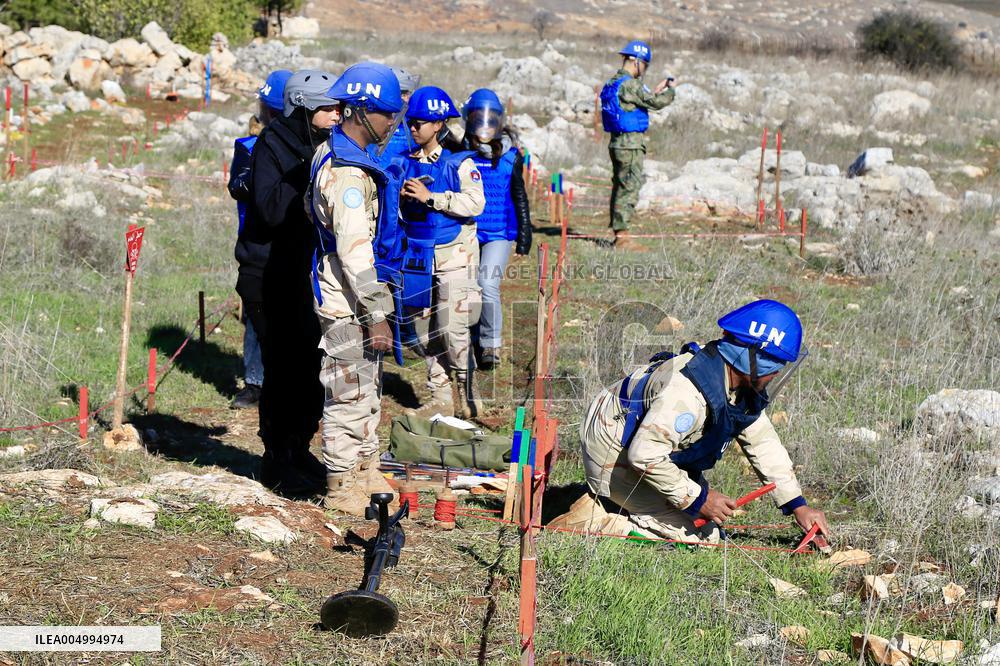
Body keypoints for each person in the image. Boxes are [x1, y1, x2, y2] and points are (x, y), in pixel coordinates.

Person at [579, 299, 831, 544]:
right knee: (698, 538)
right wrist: (700, 499)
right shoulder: (687, 393)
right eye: (773, 365)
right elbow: (644, 455)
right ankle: (593, 517)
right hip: (612, 448)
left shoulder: (736, 383)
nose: (776, 373)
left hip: (644, 443)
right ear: (749, 358)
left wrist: (797, 505)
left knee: (707, 527)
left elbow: (763, 443)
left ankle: (619, 505)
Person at [306, 62, 407, 515]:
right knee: (348, 392)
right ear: (361, 111)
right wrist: (376, 313)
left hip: (355, 294)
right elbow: (353, 252)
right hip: (348, 300)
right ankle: (341, 483)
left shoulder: (338, 154)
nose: (392, 123)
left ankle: (366, 468)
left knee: (368, 388)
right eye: (387, 114)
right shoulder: (347, 173)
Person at [248, 69, 340, 495]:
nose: (337, 114)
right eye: (328, 107)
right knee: (281, 369)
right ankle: (276, 458)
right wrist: (309, 180)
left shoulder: (325, 144)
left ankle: (299, 447)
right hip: (268, 273)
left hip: (306, 273)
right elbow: (268, 208)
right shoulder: (272, 143)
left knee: (309, 366)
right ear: (304, 106)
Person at [395, 85, 485, 418]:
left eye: (419, 122)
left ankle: (468, 396)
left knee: (452, 330)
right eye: (410, 122)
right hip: (417, 258)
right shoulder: (405, 162)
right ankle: (440, 396)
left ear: (438, 125)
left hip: (455, 258)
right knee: (424, 332)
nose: (413, 128)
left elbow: (475, 203)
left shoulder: (459, 163)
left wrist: (432, 198)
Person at [228, 69, 292, 410]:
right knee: (256, 316)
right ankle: (255, 381)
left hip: (293, 247)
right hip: (257, 246)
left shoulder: (306, 147)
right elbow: (237, 187)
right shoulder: (249, 146)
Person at [460, 89, 532, 370]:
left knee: (487, 284)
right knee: (465, 286)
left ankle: (491, 343)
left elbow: (519, 196)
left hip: (498, 233)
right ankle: (467, 339)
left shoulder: (511, 157)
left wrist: (524, 236)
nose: (484, 125)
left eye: (490, 119)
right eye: (479, 119)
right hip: (466, 231)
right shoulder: (459, 153)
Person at [600, 40, 676, 249]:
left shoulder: (613, 82)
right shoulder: (631, 84)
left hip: (617, 143)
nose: (645, 70)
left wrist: (655, 90)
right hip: (630, 145)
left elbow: (638, 101)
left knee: (620, 186)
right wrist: (670, 91)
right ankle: (622, 236)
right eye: (645, 65)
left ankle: (619, 231)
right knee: (629, 187)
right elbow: (655, 103)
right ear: (636, 62)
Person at [372, 67, 420, 167]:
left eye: (407, 94)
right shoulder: (373, 119)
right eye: (402, 94)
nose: (406, 99)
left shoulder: (413, 123)